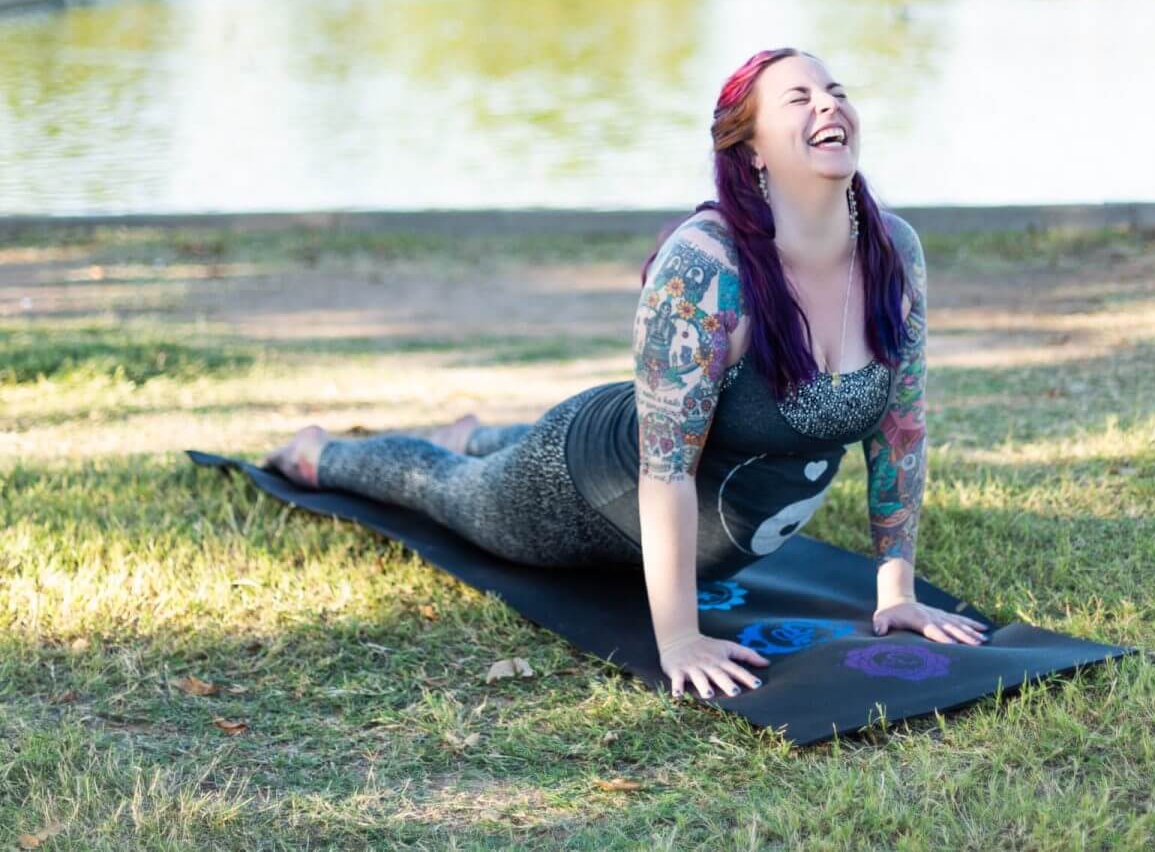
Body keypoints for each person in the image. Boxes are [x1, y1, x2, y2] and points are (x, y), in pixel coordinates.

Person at [263, 48, 989, 703]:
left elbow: (900, 426)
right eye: (798, 98)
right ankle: (322, 452)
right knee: (450, 492)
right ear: (752, 147)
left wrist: (895, 588)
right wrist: (677, 640)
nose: (828, 104)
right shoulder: (707, 268)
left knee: (491, 454)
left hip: (687, 492)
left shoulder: (894, 251)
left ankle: (476, 432)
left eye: (835, 90)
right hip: (587, 482)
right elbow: (665, 466)